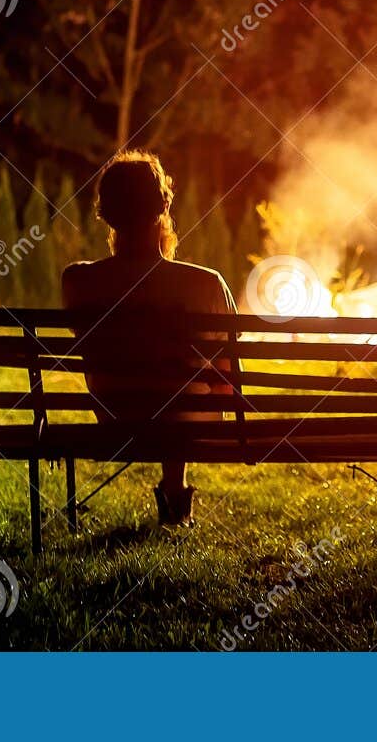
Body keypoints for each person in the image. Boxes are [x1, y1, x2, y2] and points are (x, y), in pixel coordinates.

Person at [61, 150, 235, 527]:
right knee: (183, 393)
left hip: (116, 418)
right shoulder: (206, 283)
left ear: (104, 212)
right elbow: (228, 383)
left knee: (164, 390)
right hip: (188, 422)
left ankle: (173, 491)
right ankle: (175, 491)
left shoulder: (77, 281)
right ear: (164, 207)